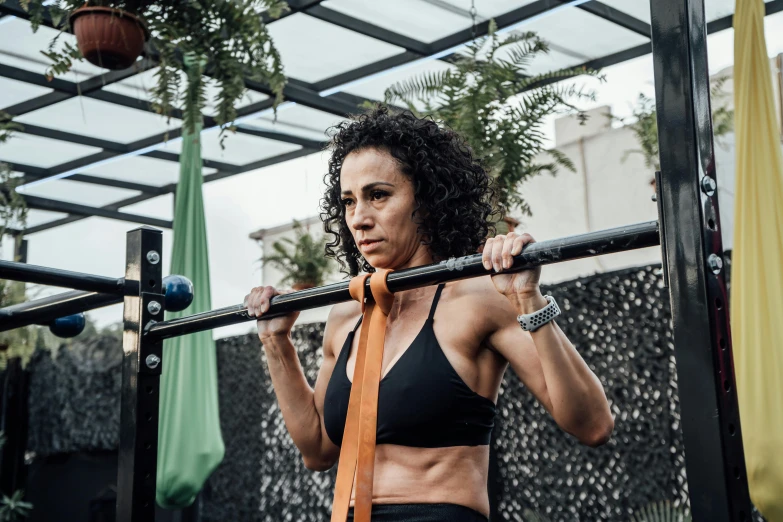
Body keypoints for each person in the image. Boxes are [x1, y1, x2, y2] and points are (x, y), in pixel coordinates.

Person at [244, 107, 614, 522]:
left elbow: (593, 424)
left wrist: (528, 298)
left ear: (426, 198)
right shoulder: (347, 314)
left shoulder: (475, 300)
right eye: (349, 201)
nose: (359, 219)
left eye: (378, 195)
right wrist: (276, 342)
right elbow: (317, 450)